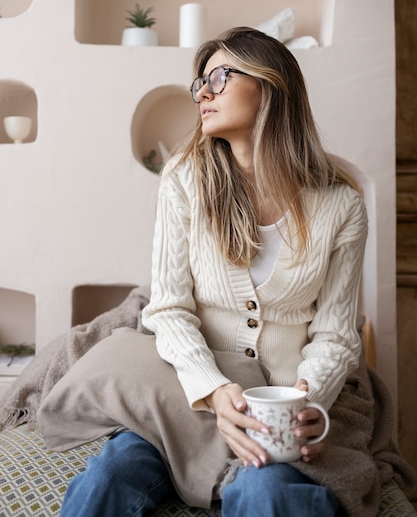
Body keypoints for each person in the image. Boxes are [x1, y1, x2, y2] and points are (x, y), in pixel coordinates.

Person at [60, 27, 367, 516]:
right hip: (189, 396)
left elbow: (336, 333)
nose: (202, 92)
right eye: (199, 83)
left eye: (220, 76)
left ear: (271, 83)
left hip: (276, 412)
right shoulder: (184, 181)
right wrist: (214, 389)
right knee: (107, 478)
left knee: (264, 493)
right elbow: (169, 309)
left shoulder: (342, 206)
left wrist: (309, 401)